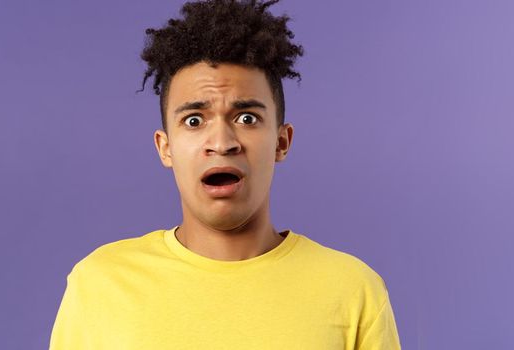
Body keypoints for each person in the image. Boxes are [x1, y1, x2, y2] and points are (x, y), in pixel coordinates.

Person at [49, 1, 401, 349]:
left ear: (281, 142)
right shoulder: (99, 284)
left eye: (246, 117)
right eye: (194, 120)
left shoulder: (354, 291)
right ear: (165, 147)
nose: (221, 142)